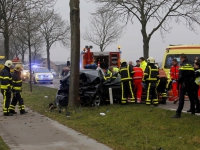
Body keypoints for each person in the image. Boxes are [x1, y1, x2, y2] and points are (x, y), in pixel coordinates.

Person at [171, 54, 195, 118]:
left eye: (180, 59)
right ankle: (193, 110)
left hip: (184, 84)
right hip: (191, 84)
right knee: (191, 97)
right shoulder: (191, 65)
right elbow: (193, 75)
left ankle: (178, 113)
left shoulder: (182, 66)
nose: (180, 60)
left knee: (181, 99)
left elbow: (180, 76)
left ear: (183, 58)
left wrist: (179, 82)